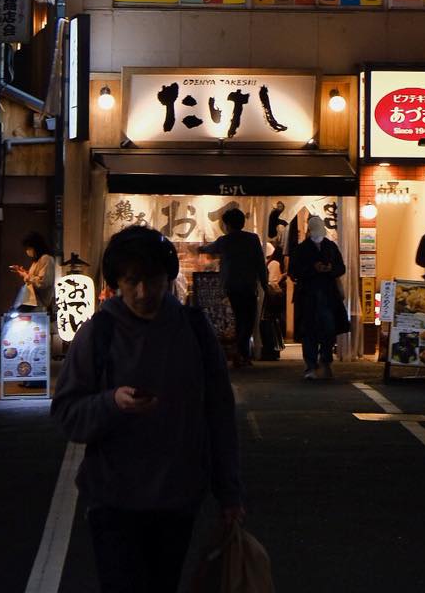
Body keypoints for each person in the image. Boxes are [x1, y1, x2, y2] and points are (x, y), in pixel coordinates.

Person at [51, 226, 244, 593]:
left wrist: (229, 492)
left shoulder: (194, 329)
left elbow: (219, 412)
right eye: (131, 281)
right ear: (117, 283)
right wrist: (112, 403)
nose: (143, 292)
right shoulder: (99, 333)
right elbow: (66, 413)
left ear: (168, 278)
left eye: (152, 279)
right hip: (113, 498)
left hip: (178, 496)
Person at [199, 209, 267, 368]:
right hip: (249, 285)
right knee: (248, 320)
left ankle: (241, 354)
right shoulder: (252, 239)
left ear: (228, 224)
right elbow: (260, 263)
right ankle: (242, 354)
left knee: (240, 318)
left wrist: (199, 249)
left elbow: (209, 249)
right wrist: (265, 284)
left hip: (232, 286)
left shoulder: (225, 241)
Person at [288, 214, 346, 381]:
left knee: (329, 330)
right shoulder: (301, 249)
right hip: (309, 295)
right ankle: (311, 365)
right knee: (310, 331)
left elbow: (341, 268)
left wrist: (330, 268)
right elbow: (293, 272)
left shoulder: (330, 246)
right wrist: (313, 269)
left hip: (328, 295)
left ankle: (324, 360)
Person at [10, 231, 55, 311]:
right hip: (33, 303)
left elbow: (42, 283)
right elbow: (34, 277)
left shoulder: (46, 259)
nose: (27, 251)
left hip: (39, 304)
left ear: (36, 247)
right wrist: (24, 272)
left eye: (29, 248)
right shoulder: (36, 261)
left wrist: (26, 276)